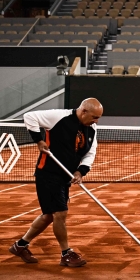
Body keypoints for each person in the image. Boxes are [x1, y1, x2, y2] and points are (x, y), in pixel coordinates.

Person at [9, 98, 103, 267]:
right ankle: (66, 253)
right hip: (48, 173)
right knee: (60, 213)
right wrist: (38, 140)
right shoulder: (59, 117)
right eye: (94, 117)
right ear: (84, 112)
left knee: (48, 216)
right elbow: (29, 116)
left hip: (65, 177)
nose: (96, 121)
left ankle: (20, 245)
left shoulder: (92, 129)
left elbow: (90, 153)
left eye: (98, 118)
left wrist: (80, 171)